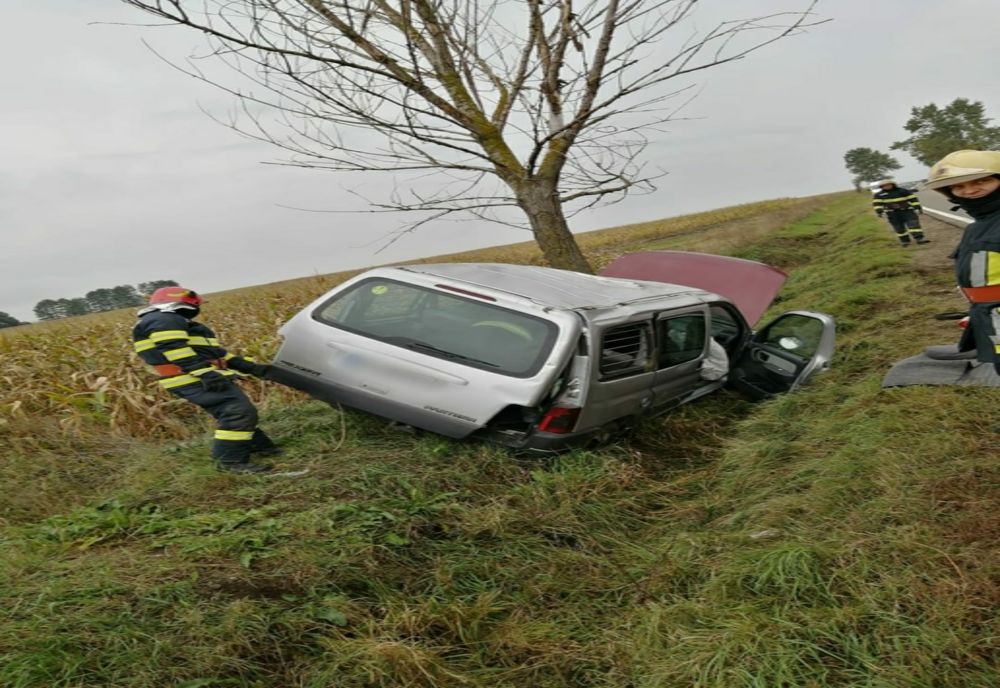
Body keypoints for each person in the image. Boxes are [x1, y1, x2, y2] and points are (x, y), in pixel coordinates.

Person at [132, 286, 279, 473]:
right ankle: (230, 462)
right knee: (237, 412)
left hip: (194, 376)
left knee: (234, 411)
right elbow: (173, 348)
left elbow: (217, 355)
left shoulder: (176, 322)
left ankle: (259, 446)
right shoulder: (163, 319)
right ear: (183, 303)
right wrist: (204, 373)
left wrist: (252, 368)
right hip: (190, 377)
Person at [923, 149, 1000, 375]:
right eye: (959, 186)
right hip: (990, 314)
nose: (969, 190)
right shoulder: (979, 224)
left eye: (981, 181)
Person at [872, 178, 930, 246]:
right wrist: (880, 212)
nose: (887, 186)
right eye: (884, 185)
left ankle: (920, 239)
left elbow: (913, 199)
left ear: (892, 184)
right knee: (899, 228)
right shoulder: (879, 195)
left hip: (907, 211)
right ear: (881, 187)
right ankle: (905, 241)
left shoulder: (903, 191)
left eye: (888, 185)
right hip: (892, 214)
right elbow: (877, 204)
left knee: (914, 225)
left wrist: (917, 208)